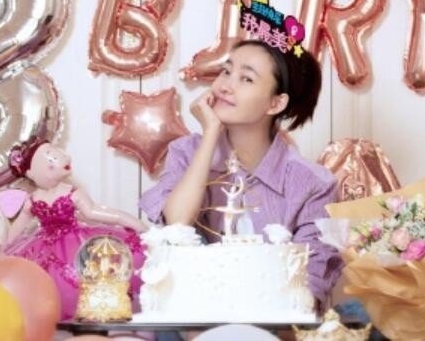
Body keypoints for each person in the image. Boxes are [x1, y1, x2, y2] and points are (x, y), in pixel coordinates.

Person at [138, 38, 342, 308]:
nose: (225, 86)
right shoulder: (186, 153)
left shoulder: (313, 184)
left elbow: (307, 291)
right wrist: (211, 133)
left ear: (275, 103)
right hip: (190, 317)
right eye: (226, 71)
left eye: (246, 79)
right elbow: (176, 224)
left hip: (273, 324)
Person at [4, 143, 147, 321]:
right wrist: (3, 249)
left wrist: (135, 224)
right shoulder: (32, 200)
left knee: (84, 274)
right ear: (32, 173)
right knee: (48, 284)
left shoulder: (69, 193)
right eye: (51, 157)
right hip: (44, 248)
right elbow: (17, 228)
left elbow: (94, 213)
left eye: (57, 153)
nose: (64, 157)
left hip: (73, 243)